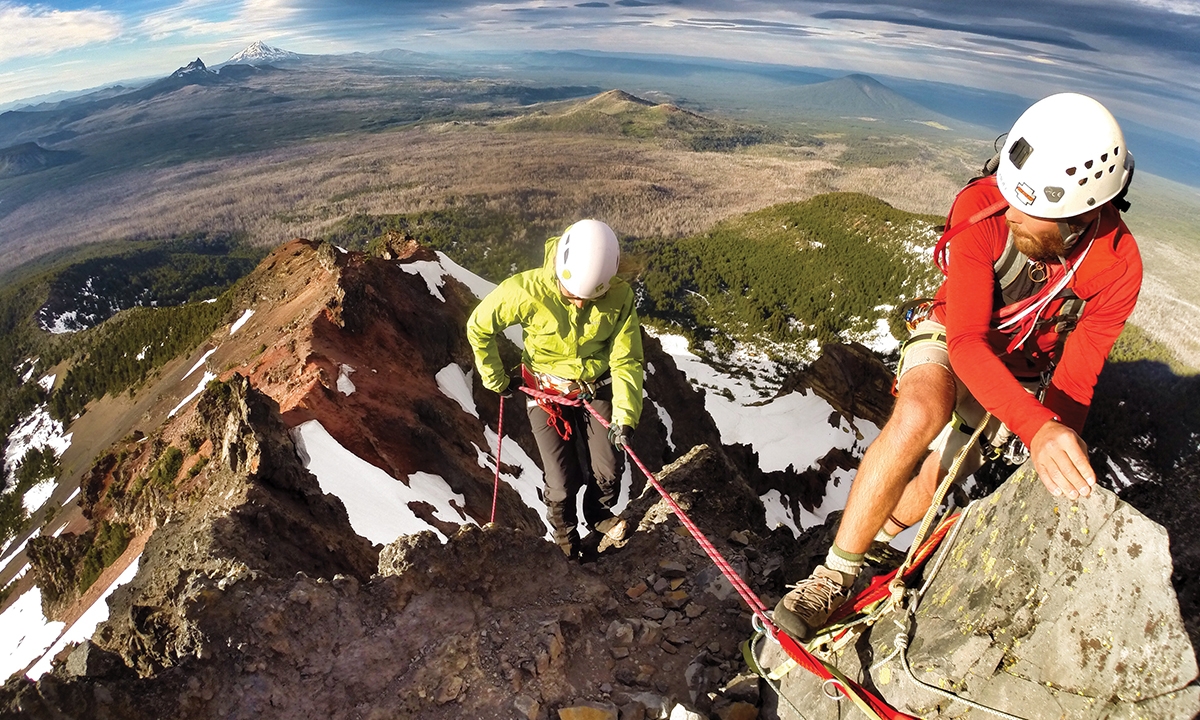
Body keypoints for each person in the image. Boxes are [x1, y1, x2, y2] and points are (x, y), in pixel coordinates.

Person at [775, 93, 1143, 641]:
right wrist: (1036, 428)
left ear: (1080, 216)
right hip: (954, 332)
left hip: (1021, 370)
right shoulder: (983, 206)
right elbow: (967, 341)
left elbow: (1077, 373)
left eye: (1030, 208)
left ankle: (876, 542)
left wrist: (1058, 444)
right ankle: (835, 573)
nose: (1010, 209)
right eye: (1011, 193)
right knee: (923, 409)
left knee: (947, 467)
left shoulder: (1117, 265)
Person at [467, 219, 644, 559]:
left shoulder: (620, 297)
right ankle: (565, 539)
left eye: (591, 298)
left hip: (596, 386)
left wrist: (625, 416)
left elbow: (626, 360)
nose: (580, 304)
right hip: (546, 394)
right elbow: (479, 326)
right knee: (563, 482)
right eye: (572, 295)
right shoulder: (527, 290)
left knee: (608, 469)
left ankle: (598, 515)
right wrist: (497, 380)